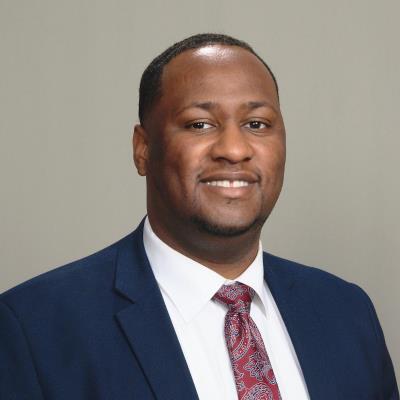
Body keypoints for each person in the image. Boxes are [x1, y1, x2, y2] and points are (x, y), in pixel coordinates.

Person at [0, 33, 398, 400]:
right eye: (200, 124)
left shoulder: (347, 312)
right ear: (143, 149)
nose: (234, 150)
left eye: (256, 124)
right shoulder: (33, 328)